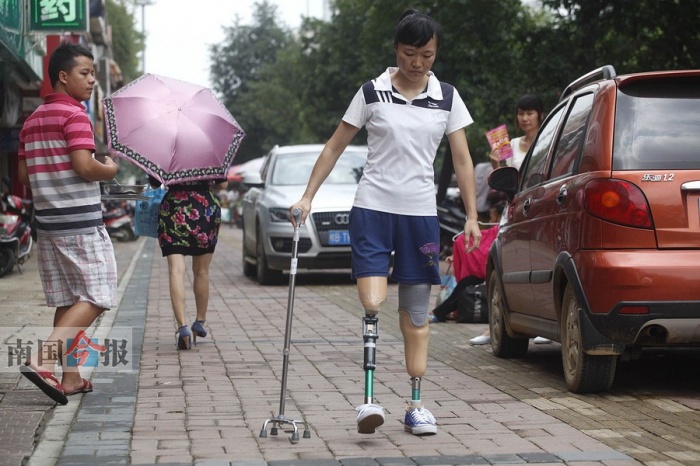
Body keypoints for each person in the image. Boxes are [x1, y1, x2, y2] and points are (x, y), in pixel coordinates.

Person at [290, 9, 481, 436]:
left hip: (420, 216)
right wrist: (307, 196)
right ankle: (370, 400)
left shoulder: (448, 97)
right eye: (410, 53)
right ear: (397, 50)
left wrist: (471, 216)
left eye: (427, 55)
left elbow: (463, 159)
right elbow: (335, 146)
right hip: (373, 210)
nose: (418, 63)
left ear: (436, 53)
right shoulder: (371, 92)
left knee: (416, 313)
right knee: (373, 302)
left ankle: (416, 404)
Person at [16, 42, 120, 404]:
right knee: (98, 294)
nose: (92, 80)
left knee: (67, 299)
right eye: (85, 73)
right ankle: (42, 359)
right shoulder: (75, 115)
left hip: (48, 225)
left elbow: (23, 176)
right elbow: (85, 166)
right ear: (63, 76)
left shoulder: (31, 121)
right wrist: (109, 167)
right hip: (80, 224)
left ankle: (71, 378)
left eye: (92, 73)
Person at [473, 93, 550, 345]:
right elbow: (503, 183)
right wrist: (496, 165)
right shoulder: (511, 145)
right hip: (513, 211)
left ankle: (540, 325)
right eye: (520, 113)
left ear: (540, 114)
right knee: (501, 266)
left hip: (539, 210)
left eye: (529, 113)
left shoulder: (549, 142)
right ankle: (494, 326)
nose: (524, 118)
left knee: (536, 265)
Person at [151, 176, 227, 350]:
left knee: (176, 270)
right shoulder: (209, 150)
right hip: (204, 209)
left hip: (173, 208)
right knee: (201, 271)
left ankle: (182, 327)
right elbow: (222, 184)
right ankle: (199, 321)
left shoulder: (167, 149)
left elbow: (155, 183)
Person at [430, 202, 504, 323]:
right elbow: (481, 246)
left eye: (493, 216)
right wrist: (458, 254)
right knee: (466, 283)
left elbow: (484, 251)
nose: (491, 219)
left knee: (466, 284)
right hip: (490, 274)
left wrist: (462, 249)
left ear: (500, 217)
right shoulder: (495, 231)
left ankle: (439, 313)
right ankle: (440, 313)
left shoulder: (501, 232)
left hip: (495, 274)